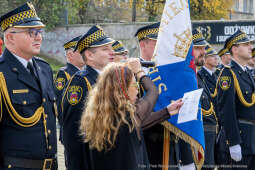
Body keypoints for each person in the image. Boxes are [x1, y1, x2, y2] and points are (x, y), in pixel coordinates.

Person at [80, 60, 183, 170]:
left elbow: (139, 124)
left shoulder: (99, 117)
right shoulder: (127, 116)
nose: (137, 89)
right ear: (122, 89)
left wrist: (166, 112)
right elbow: (153, 91)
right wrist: (139, 72)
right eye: (135, 84)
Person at [0, 2, 57, 170]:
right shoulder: (2, 74)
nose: (39, 37)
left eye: (39, 32)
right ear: (10, 37)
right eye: (31, 32)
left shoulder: (44, 68)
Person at [61, 25, 115, 170]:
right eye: (105, 49)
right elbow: (73, 133)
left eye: (111, 47)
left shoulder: (106, 79)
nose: (112, 52)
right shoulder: (80, 82)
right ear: (90, 55)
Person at [217, 30, 255, 169]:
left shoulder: (248, 74)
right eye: (246, 44)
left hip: (251, 140)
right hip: (240, 140)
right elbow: (227, 111)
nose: (250, 47)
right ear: (235, 49)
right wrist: (233, 142)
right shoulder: (228, 74)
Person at [197, 43, 219, 170]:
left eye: (217, 56)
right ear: (206, 59)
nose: (216, 58)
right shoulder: (201, 75)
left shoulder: (217, 75)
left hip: (215, 124)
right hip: (205, 125)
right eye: (213, 56)